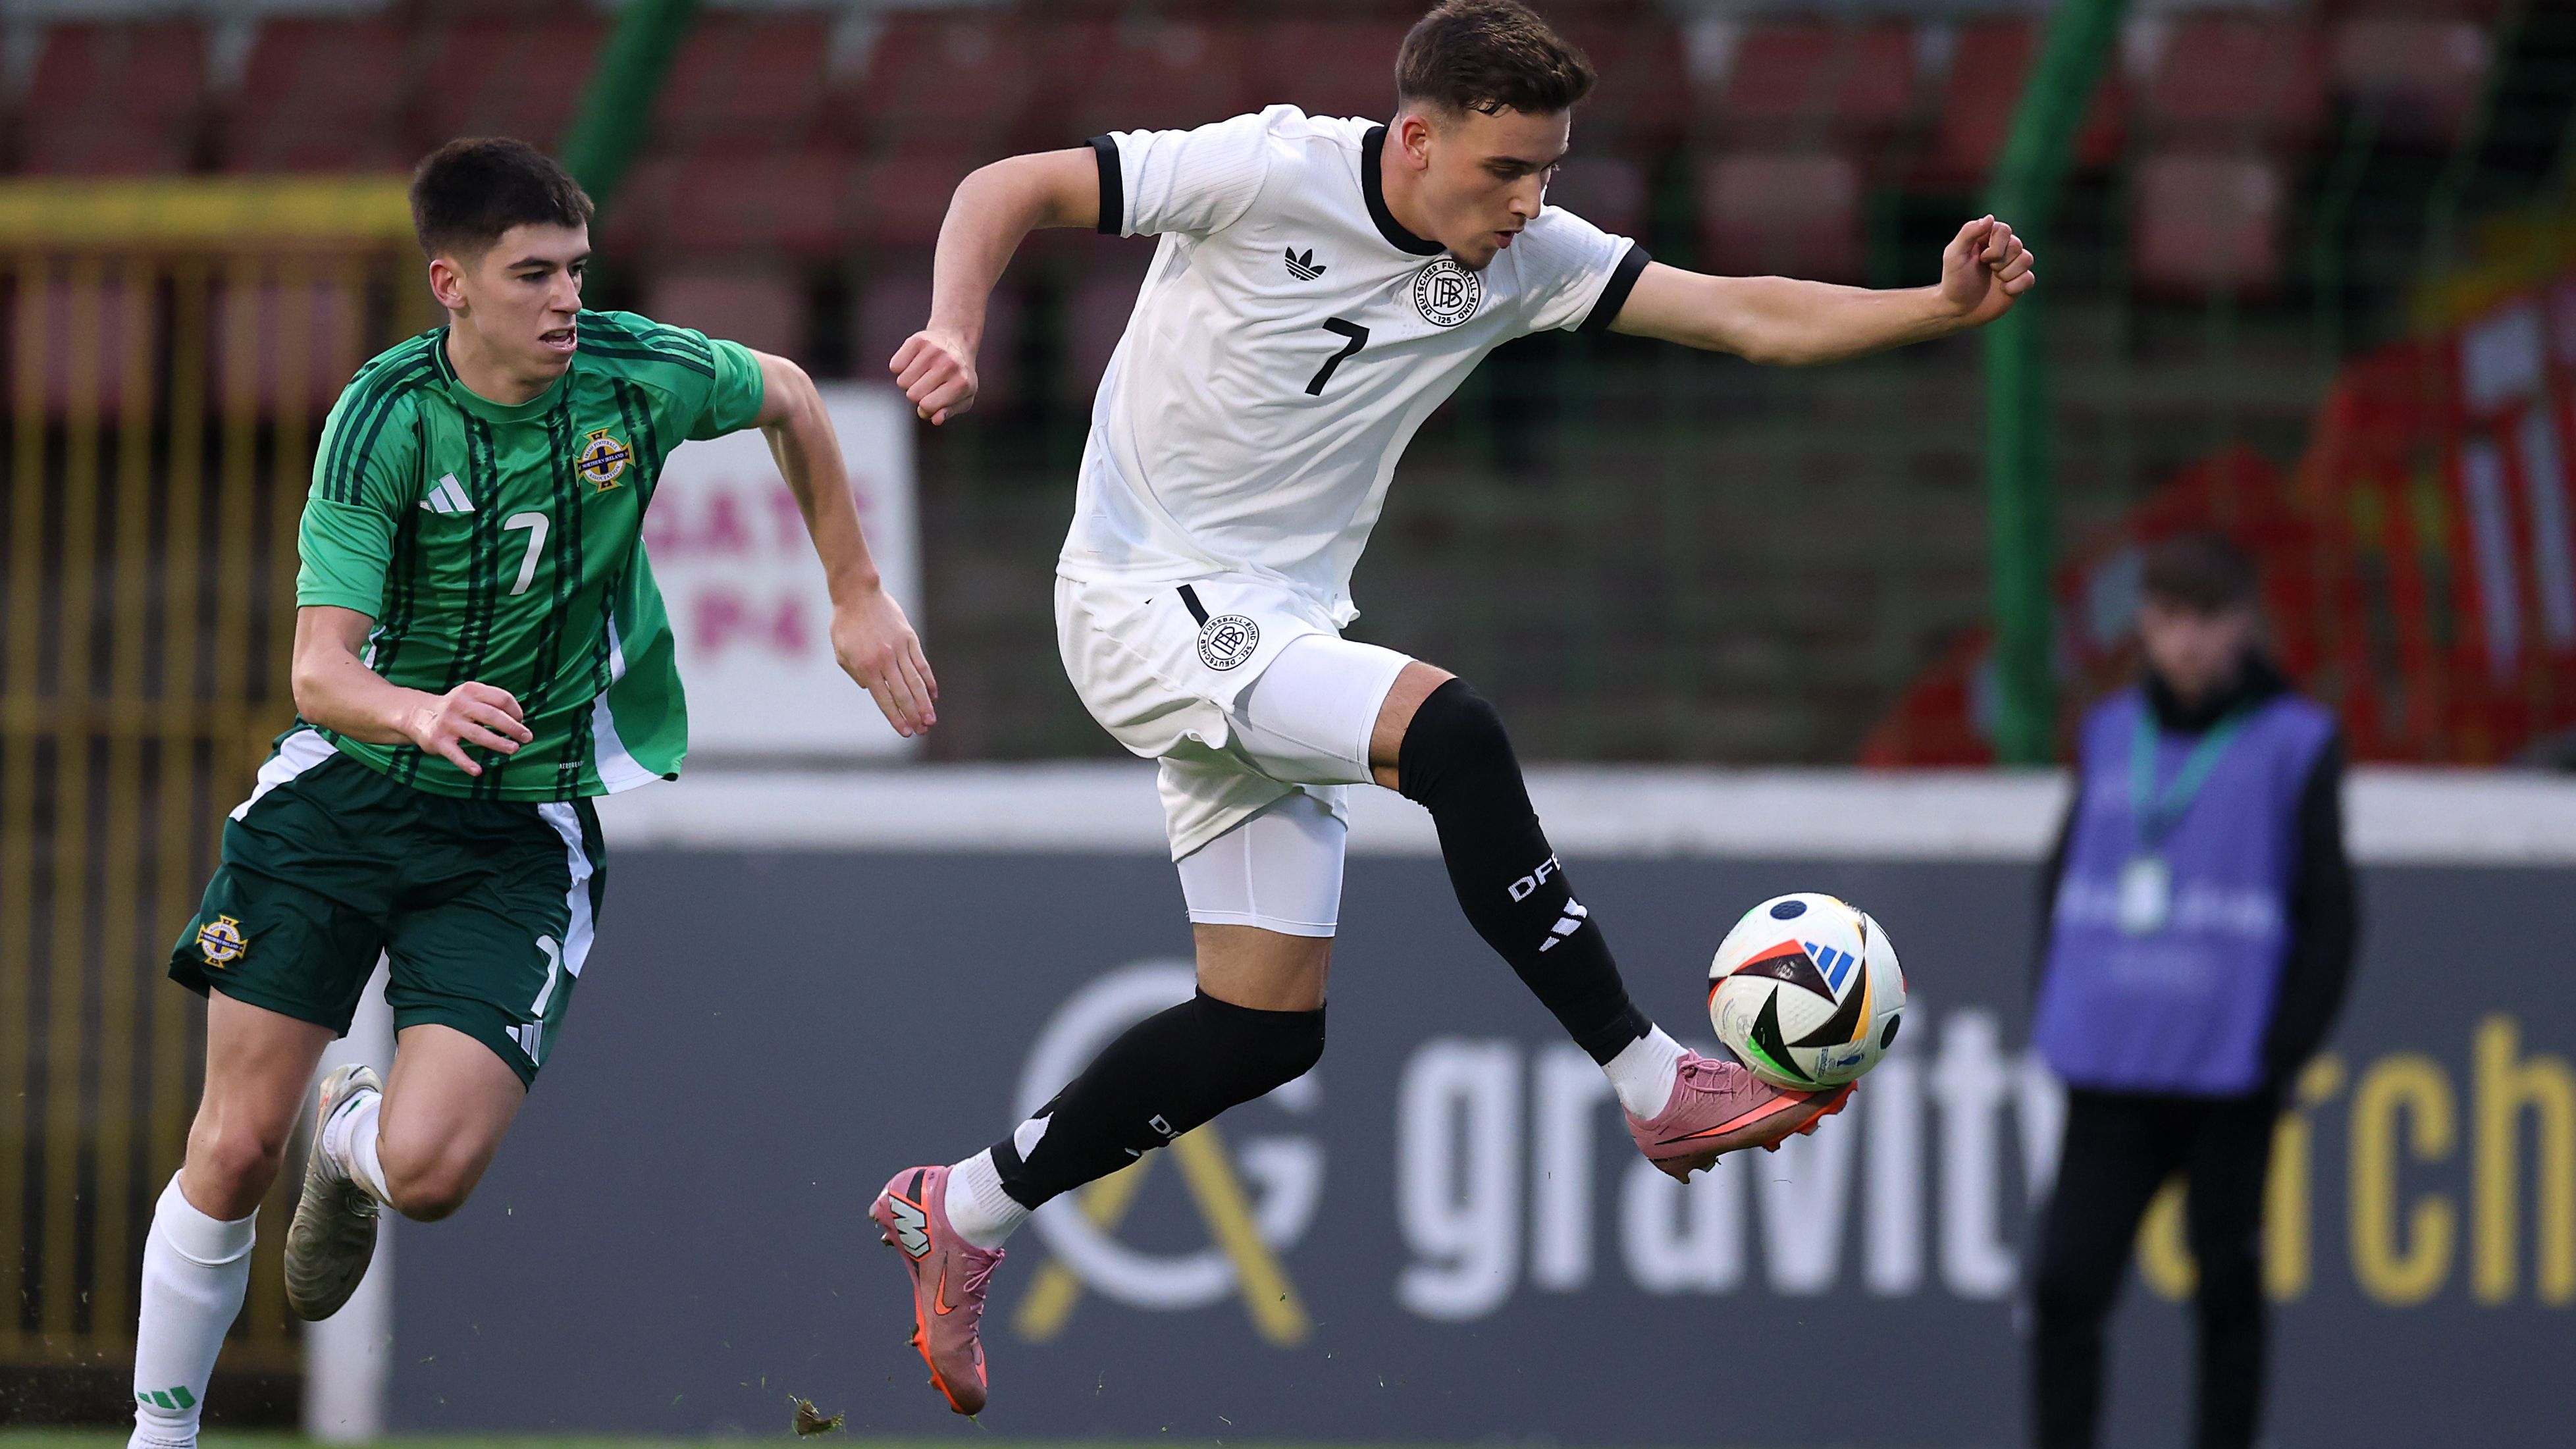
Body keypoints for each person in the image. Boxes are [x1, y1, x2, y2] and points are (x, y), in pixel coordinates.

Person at [874, 0, 2036, 1413]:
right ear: (1416, 140)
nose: (1529, 201)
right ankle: (1653, 1080)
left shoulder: (1525, 257)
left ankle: (963, 1208)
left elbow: (1742, 313)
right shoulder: (1265, 168)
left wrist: (1936, 309)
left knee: (1262, 1029)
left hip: (1275, 633)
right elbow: (1008, 184)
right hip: (1143, 599)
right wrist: (953, 326)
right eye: (1504, 170)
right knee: (1453, 733)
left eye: (1547, 169)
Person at [127, 137, 932, 1446]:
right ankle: (158, 1439)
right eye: (532, 275)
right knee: (230, 1148)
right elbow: (320, 673)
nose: (566, 299)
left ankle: (354, 1137)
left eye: (576, 269)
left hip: (518, 825)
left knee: (431, 1175)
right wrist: (418, 709)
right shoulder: (384, 419)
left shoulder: (635, 374)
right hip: (345, 797)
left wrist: (855, 591)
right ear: (450, 283)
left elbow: (787, 393)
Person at [2026, 531, 2358, 1449]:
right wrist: (2066, 1007)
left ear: (2245, 622)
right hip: (2111, 1069)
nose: (2188, 642)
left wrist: (2281, 1050)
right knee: (2063, 1285)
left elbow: (2330, 912)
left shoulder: (2294, 743)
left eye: (2209, 619)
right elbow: (2065, 880)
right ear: (2142, 622)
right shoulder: (2107, 733)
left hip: (2226, 1076)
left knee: (2226, 1293)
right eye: (2169, 618)